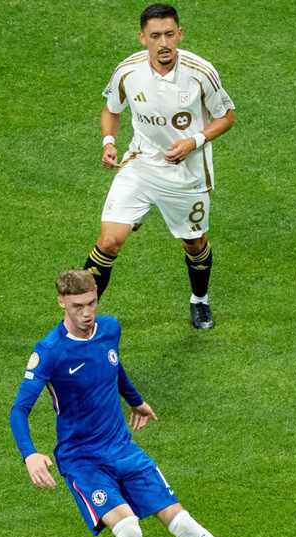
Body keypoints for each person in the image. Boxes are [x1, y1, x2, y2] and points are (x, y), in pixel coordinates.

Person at [9, 269, 296, 537]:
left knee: (184, 524)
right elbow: (19, 409)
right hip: (82, 459)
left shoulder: (110, 328)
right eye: (78, 306)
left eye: (92, 303)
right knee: (129, 530)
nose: (87, 312)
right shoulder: (49, 351)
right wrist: (30, 454)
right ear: (62, 302)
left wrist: (136, 400)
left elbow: (114, 366)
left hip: (122, 448)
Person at [83, 3, 236, 330]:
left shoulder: (201, 72)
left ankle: (199, 300)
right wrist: (108, 142)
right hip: (140, 165)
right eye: (155, 36)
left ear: (180, 34)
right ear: (142, 38)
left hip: (187, 175)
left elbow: (226, 117)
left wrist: (193, 141)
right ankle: (81, 320)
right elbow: (111, 109)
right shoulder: (128, 71)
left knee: (194, 244)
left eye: (169, 34)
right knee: (108, 242)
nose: (163, 42)